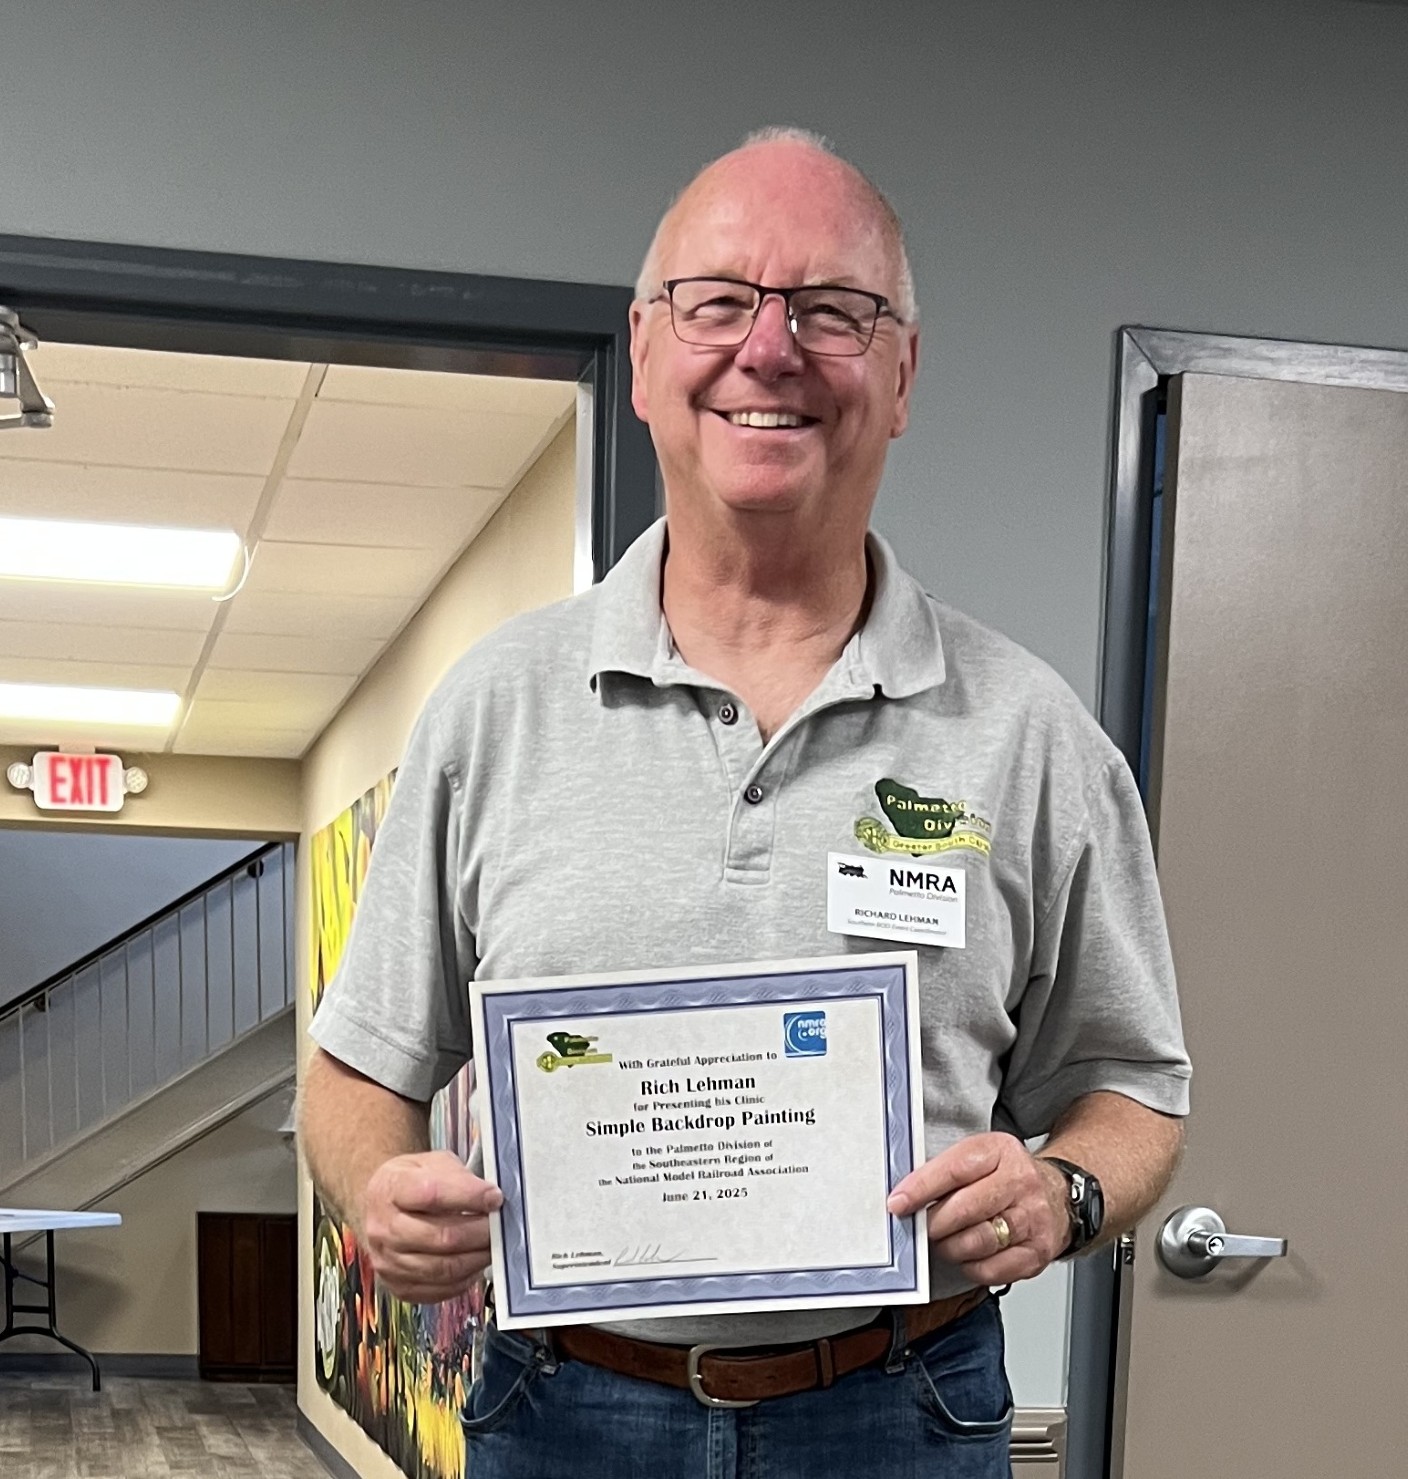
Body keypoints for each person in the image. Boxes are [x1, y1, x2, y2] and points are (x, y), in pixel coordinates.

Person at [302, 125, 1190, 1477]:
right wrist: (377, 1186)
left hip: (903, 1411)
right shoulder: (494, 709)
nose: (769, 350)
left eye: (833, 311)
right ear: (645, 353)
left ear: (902, 374)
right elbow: (355, 1070)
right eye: (717, 303)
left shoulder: (1033, 735)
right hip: (565, 1413)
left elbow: (1134, 1087)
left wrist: (1064, 1194)